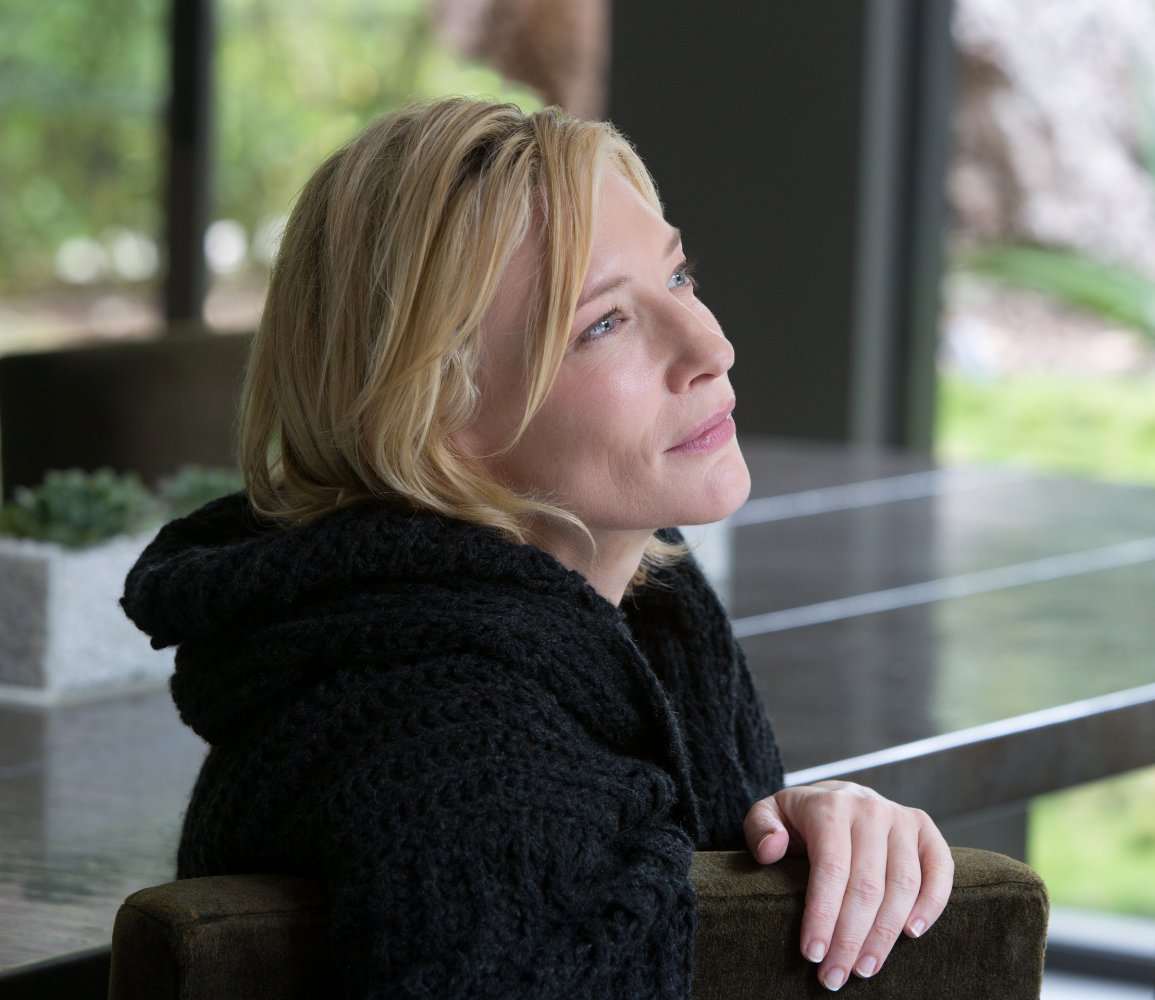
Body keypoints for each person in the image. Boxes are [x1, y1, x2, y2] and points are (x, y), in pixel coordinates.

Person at [122, 98, 952, 998]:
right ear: (434, 419)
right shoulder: (461, 754)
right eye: (604, 324)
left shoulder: (642, 622)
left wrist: (786, 834)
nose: (711, 345)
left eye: (677, 277)